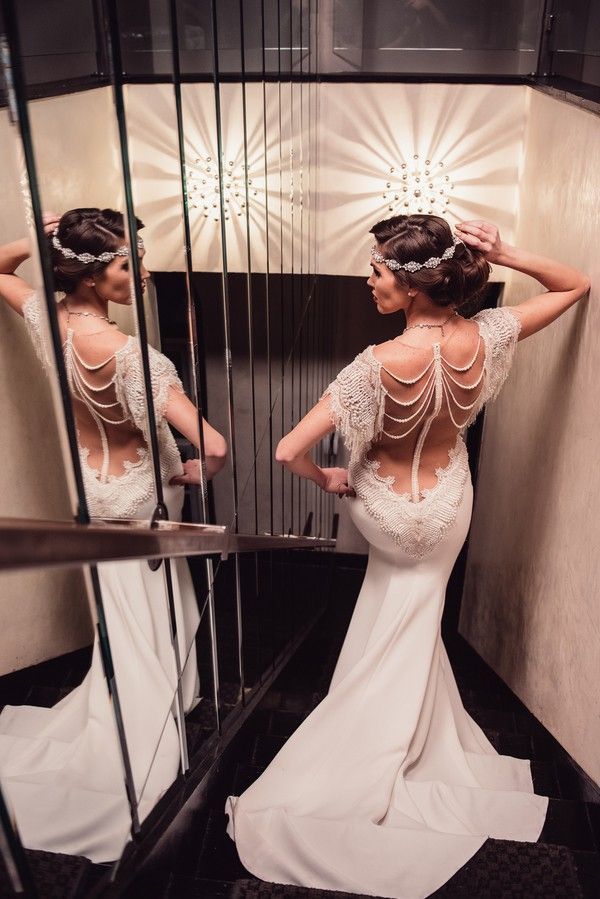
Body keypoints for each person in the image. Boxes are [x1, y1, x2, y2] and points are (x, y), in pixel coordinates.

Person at [224, 215, 590, 898]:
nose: (369, 278)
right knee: (419, 616)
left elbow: (286, 450)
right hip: (449, 505)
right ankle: (411, 726)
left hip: (386, 509)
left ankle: (371, 725)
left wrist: (325, 477)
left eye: (379, 270)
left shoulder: (376, 364)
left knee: (389, 602)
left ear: (417, 286)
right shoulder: (490, 334)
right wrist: (508, 251)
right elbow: (575, 285)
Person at [0, 208, 227, 863]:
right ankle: (152, 715)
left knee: (119, 604)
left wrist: (35, 238)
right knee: (147, 596)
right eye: (130, 263)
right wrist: (197, 467)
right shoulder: (136, 357)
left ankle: (148, 691)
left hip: (89, 492)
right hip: (137, 490)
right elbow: (212, 443)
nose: (144, 272)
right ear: (94, 274)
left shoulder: (46, 318)